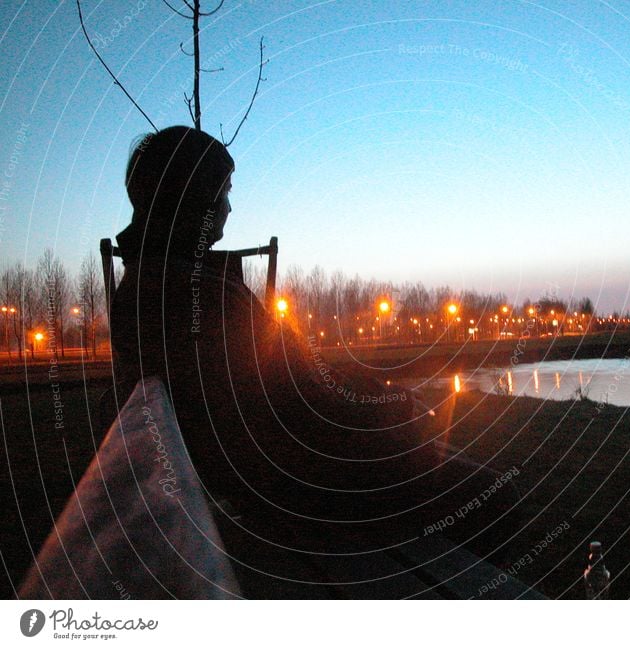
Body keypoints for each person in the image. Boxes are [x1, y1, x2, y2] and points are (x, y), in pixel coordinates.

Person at [110, 126, 447, 556]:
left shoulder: (150, 286)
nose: (229, 207)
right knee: (487, 491)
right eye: (223, 191)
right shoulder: (202, 295)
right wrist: (400, 408)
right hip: (293, 493)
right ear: (194, 195)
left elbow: (298, 386)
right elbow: (313, 404)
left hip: (250, 484)